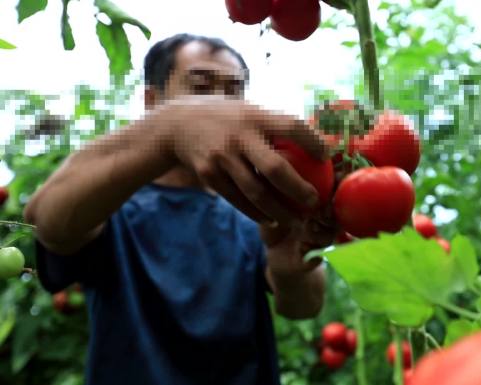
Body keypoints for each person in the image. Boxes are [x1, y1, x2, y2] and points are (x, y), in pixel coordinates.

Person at [23, 33, 337, 385]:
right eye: (200, 88)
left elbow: (302, 306)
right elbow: (48, 219)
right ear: (152, 101)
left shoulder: (252, 210)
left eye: (234, 92)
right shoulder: (114, 206)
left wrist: (289, 269)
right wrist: (170, 129)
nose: (220, 106)